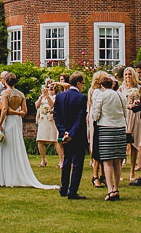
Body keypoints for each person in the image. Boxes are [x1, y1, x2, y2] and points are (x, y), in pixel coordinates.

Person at [0, 72, 58, 190]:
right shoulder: (21, 94)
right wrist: (18, 113)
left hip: (8, 121)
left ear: (6, 82)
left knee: (8, 147)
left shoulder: (5, 93)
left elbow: (4, 109)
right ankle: (15, 176)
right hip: (17, 122)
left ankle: (8, 178)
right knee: (16, 146)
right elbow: (24, 112)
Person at [91, 71, 127, 201]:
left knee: (107, 161)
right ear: (112, 85)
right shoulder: (121, 95)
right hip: (120, 128)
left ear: (102, 86)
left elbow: (96, 114)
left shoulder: (101, 96)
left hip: (105, 128)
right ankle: (116, 188)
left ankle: (110, 190)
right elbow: (125, 113)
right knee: (118, 160)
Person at [54, 71, 89, 199]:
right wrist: (71, 134)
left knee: (67, 160)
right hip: (77, 135)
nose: (83, 86)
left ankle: (63, 188)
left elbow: (56, 116)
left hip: (65, 135)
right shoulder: (81, 97)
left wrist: (64, 132)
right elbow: (80, 118)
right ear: (78, 83)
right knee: (78, 162)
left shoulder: (60, 96)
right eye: (83, 83)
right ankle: (72, 191)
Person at [35, 79, 63, 168]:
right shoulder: (42, 96)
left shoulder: (56, 97)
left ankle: (61, 160)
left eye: (52, 89)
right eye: (48, 88)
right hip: (43, 120)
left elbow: (53, 105)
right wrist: (41, 97)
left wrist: (47, 96)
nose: (50, 90)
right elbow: (36, 105)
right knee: (40, 140)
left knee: (55, 140)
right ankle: (43, 160)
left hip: (51, 120)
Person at [122, 66, 141, 182]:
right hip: (125, 115)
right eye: (126, 75)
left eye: (129, 74)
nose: (127, 77)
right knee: (123, 142)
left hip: (135, 115)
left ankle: (132, 171)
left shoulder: (138, 88)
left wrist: (137, 102)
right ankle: (119, 169)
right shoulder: (121, 88)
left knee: (134, 142)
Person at [86, 72, 105, 188]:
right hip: (96, 121)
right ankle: (96, 175)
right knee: (97, 148)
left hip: (102, 121)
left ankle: (103, 175)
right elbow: (95, 108)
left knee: (102, 149)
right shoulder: (95, 91)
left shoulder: (102, 91)